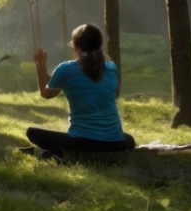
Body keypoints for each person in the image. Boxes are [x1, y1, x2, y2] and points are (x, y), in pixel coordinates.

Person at [24, 24, 135, 159]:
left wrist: (40, 67)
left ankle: (64, 153)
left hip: (82, 142)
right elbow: (61, 83)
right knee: (129, 138)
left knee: (32, 133)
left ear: (75, 46)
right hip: (116, 143)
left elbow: (46, 93)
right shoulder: (111, 68)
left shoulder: (65, 69)